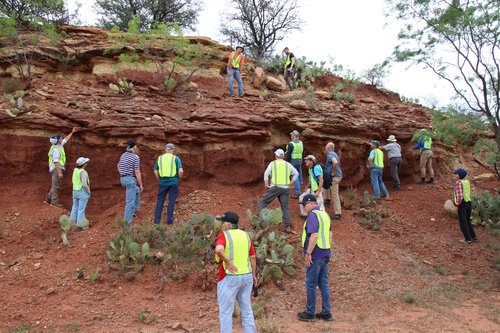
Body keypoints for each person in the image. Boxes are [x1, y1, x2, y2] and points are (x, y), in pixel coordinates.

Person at [215, 211, 257, 333]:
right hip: (247, 276)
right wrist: (254, 274)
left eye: (222, 223)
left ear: (228, 225)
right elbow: (253, 257)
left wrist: (228, 261)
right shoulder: (246, 236)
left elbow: (219, 250)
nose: (221, 225)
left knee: (226, 312)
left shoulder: (224, 235)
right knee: (247, 309)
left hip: (230, 277)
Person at [297, 194, 332, 322]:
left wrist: (308, 253)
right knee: (323, 283)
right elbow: (330, 234)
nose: (304, 208)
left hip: (315, 255)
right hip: (325, 254)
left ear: (311, 203)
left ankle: (310, 312)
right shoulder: (325, 215)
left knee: (311, 283)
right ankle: (326, 313)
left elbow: (315, 235)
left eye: (304, 205)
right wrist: (328, 250)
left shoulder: (313, 215)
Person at [259, 149, 299, 233]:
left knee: (263, 203)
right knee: (285, 207)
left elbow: (266, 173)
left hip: (275, 187)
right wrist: (291, 183)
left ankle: (263, 225)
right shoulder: (288, 164)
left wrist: (266, 184)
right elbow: (296, 173)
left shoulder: (273, 163)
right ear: (283, 156)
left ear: (276, 156)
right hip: (285, 189)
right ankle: (287, 227)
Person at [45, 127, 78, 208]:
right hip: (56, 169)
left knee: (54, 185)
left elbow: (65, 140)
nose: (61, 138)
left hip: (56, 169)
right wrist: (59, 172)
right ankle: (54, 202)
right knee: (56, 186)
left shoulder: (57, 145)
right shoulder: (56, 150)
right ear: (58, 141)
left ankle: (48, 199)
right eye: (60, 138)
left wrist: (72, 132)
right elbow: (56, 162)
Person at [153, 143, 183, 225]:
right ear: (173, 149)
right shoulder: (175, 158)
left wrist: (159, 180)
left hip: (163, 182)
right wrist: (178, 179)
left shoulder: (160, 158)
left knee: (160, 201)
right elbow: (181, 171)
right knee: (171, 201)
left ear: (166, 149)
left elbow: (155, 171)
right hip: (174, 182)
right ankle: (169, 221)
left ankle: (156, 222)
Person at [117, 140, 143, 225]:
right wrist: (141, 184)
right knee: (129, 202)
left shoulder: (123, 155)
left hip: (122, 179)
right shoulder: (135, 157)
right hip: (130, 180)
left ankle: (135, 210)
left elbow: (119, 167)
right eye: (136, 146)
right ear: (134, 147)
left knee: (137, 190)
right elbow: (137, 172)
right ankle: (127, 224)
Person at [453, 168, 477, 244]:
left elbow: (459, 195)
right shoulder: (467, 182)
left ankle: (467, 239)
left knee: (463, 222)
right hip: (468, 202)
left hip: (462, 204)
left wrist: (457, 204)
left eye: (456, 174)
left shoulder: (459, 183)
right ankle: (473, 236)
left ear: (459, 175)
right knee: (467, 220)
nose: (456, 176)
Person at [70, 157, 91, 229]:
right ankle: (80, 226)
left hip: (75, 191)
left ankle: (71, 224)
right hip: (82, 192)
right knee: (81, 209)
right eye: (86, 163)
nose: (87, 163)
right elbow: (84, 184)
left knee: (74, 207)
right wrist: (88, 191)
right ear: (84, 164)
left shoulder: (75, 170)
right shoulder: (83, 172)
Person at [324, 142, 342, 220]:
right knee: (326, 186)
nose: (325, 149)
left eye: (326, 148)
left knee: (335, 194)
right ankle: (327, 200)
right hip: (336, 176)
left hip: (335, 177)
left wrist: (333, 172)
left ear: (329, 148)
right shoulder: (335, 154)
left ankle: (338, 214)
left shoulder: (330, 154)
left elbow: (335, 162)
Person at [285, 130, 303, 198]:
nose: (291, 137)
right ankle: (300, 182)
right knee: (299, 171)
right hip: (299, 160)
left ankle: (298, 192)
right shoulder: (301, 143)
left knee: (294, 176)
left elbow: (288, 155)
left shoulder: (290, 144)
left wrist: (286, 162)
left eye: (291, 135)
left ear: (293, 136)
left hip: (293, 161)